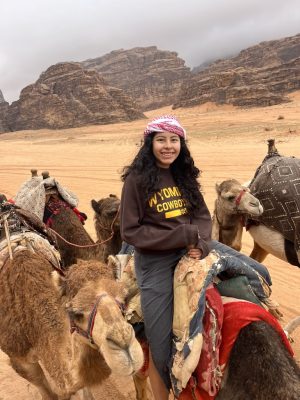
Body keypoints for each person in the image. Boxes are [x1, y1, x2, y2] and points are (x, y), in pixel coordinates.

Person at [120, 115, 212, 399]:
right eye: (161, 140)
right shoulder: (136, 180)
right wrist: (181, 237)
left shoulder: (184, 175)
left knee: (254, 275)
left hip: (191, 251)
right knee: (160, 344)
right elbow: (130, 231)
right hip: (155, 262)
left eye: (174, 140)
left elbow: (202, 216)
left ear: (181, 144)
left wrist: (203, 245)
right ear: (150, 144)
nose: (168, 146)